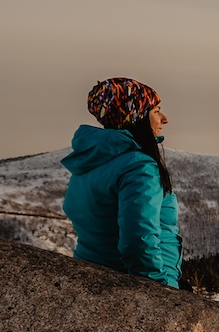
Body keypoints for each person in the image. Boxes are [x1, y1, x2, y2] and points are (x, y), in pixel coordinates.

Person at [62, 77, 182, 288]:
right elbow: (138, 239)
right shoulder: (139, 167)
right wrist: (160, 288)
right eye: (156, 111)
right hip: (133, 286)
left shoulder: (91, 160)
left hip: (91, 278)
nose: (164, 119)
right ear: (137, 116)